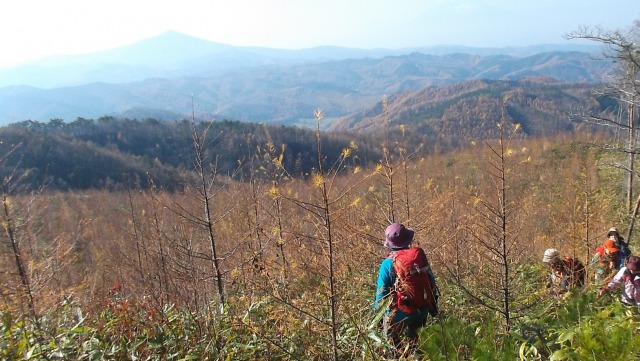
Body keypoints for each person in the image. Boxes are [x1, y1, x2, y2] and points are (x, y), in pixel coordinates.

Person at [375, 223, 438, 358]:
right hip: (422, 307)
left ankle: (396, 356)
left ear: (390, 244)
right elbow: (431, 280)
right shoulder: (419, 256)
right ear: (408, 240)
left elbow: (381, 295)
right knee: (417, 345)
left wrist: (378, 318)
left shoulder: (387, 263)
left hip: (400, 313)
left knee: (392, 345)